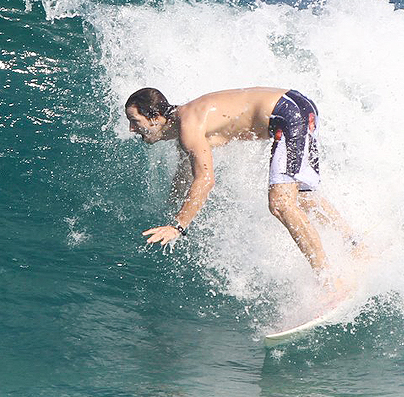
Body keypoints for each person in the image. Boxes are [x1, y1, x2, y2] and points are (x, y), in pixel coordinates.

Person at [125, 86, 361, 275]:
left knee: (281, 204)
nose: (132, 129)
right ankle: (356, 246)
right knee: (302, 199)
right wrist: (171, 212)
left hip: (287, 114)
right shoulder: (186, 126)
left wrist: (178, 226)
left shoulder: (189, 125)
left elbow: (205, 179)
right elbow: (186, 175)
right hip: (298, 106)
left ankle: (329, 279)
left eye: (135, 121)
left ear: (155, 117)